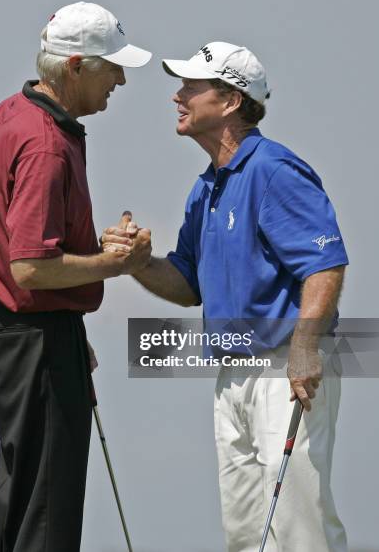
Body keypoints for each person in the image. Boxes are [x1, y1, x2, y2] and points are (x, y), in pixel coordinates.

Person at [102, 41, 349, 551]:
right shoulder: (205, 188)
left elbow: (325, 264)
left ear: (232, 101)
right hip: (231, 375)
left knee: (298, 525)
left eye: (192, 86)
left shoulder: (275, 170)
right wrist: (138, 264)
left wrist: (304, 348)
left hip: (285, 367)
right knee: (244, 533)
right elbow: (188, 285)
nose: (178, 95)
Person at [0, 1, 152, 552]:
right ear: (75, 66)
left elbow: (30, 248)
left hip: (19, 332)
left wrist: (91, 255)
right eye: (111, 66)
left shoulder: (13, 114)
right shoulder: (46, 144)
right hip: (34, 338)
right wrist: (115, 265)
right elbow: (29, 266)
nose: (120, 78)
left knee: (26, 503)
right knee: (47, 516)